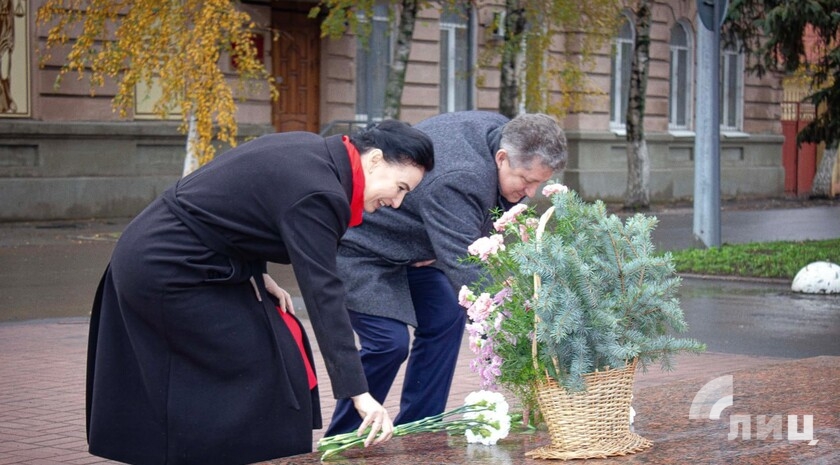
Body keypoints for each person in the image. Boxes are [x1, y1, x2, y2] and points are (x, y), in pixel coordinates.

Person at [85, 120, 435, 465]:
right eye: (400, 187)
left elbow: (239, 207)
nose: (398, 202)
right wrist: (359, 394)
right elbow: (323, 293)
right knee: (262, 366)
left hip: (180, 257)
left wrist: (258, 272)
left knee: (279, 349)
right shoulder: (321, 191)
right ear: (374, 159)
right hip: (168, 269)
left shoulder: (315, 152)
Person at [325, 111, 567, 435]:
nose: (531, 192)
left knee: (445, 312)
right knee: (388, 343)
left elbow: (465, 244)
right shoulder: (461, 177)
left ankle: (420, 428)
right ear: (502, 157)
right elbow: (466, 265)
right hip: (362, 246)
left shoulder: (504, 132)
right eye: (526, 180)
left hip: (413, 250)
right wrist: (527, 322)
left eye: (540, 182)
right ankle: (341, 437)